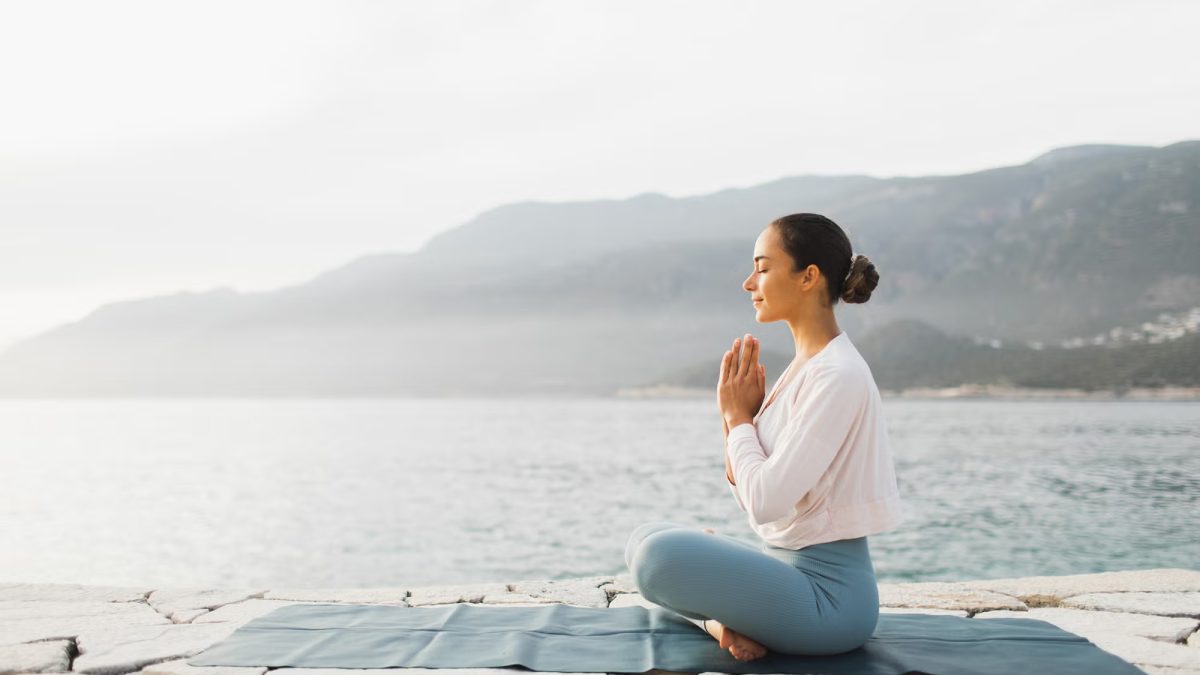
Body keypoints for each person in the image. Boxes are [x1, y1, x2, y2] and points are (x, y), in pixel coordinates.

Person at [624, 212, 906, 661]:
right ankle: (721, 624)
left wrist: (738, 420)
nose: (749, 282)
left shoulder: (838, 375)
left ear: (808, 277)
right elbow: (752, 491)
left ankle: (718, 620)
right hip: (784, 567)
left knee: (658, 557)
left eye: (763, 266)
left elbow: (765, 500)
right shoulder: (804, 369)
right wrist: (736, 421)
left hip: (830, 605)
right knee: (644, 537)